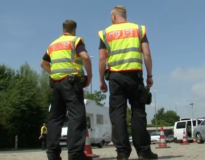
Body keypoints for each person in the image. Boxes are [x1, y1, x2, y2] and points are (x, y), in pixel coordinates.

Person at [98, 5, 157, 160]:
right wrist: (149, 75)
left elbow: (102, 59)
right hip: (134, 76)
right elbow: (147, 53)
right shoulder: (138, 29)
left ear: (114, 16)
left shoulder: (106, 32)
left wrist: (100, 80)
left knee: (118, 114)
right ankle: (144, 152)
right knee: (138, 112)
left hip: (115, 78)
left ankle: (122, 153)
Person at [40, 20, 92, 160]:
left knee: (55, 118)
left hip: (56, 84)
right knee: (77, 116)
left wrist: (55, 74)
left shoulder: (53, 44)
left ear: (63, 29)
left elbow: (43, 63)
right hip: (72, 83)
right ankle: (75, 154)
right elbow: (85, 57)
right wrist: (89, 76)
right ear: (74, 30)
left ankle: (52, 154)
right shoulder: (75, 41)